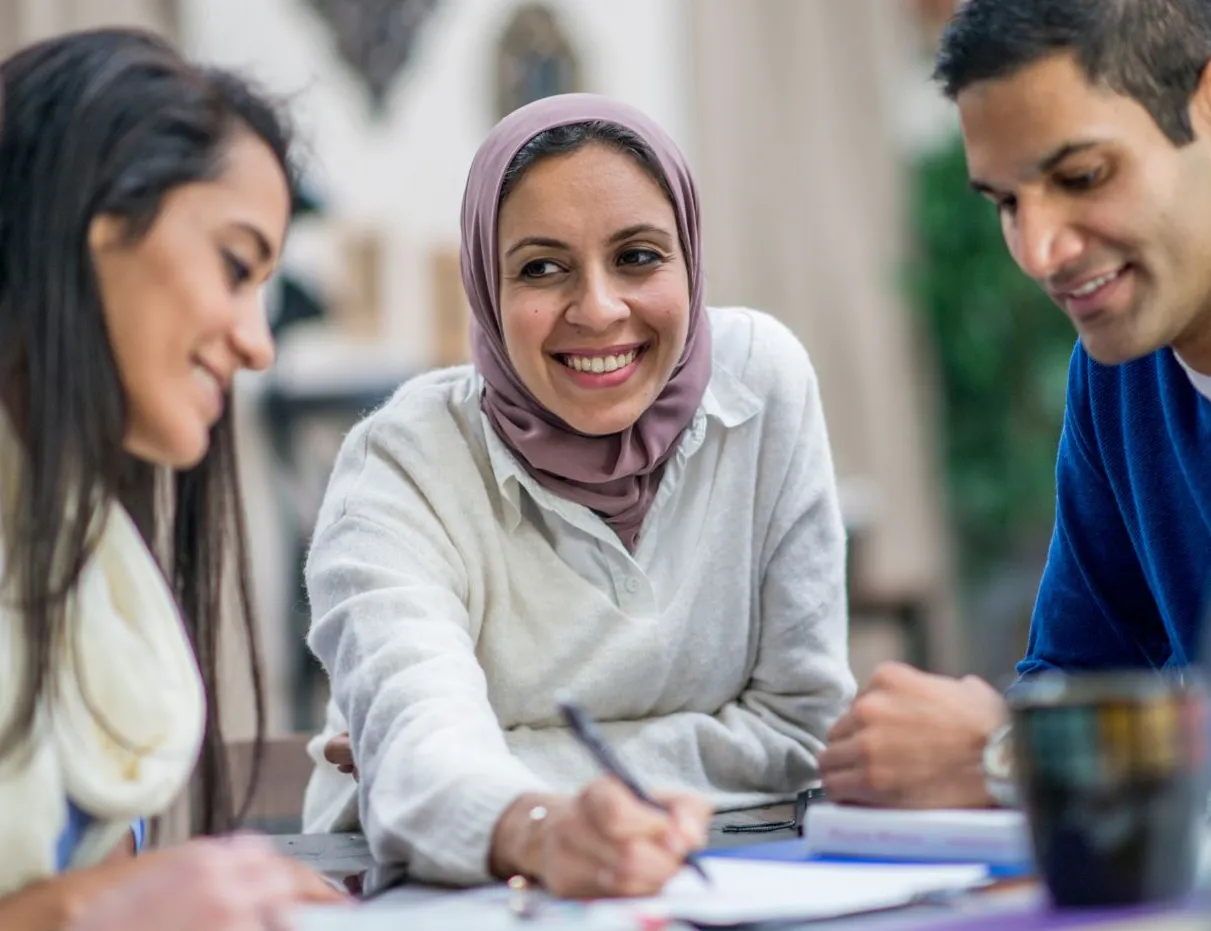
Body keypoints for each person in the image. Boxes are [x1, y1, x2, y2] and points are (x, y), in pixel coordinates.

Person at [302, 93, 856, 898]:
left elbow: (800, 731)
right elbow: (418, 761)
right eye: (540, 267)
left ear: (689, 260)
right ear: (485, 286)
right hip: (439, 895)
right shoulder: (401, 462)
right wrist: (526, 820)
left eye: (638, 256)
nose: (598, 308)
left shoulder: (763, 383)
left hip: (725, 876)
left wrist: (496, 759)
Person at [819, 0, 1211, 809]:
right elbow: (1076, 675)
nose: (1038, 252)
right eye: (1005, 201)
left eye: (1081, 176)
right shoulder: (1117, 373)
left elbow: (1038, 740)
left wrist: (1009, 756)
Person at [0, 28, 342, 928]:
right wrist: (90, 910)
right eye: (234, 266)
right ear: (96, 218)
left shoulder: (84, 560)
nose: (258, 344)